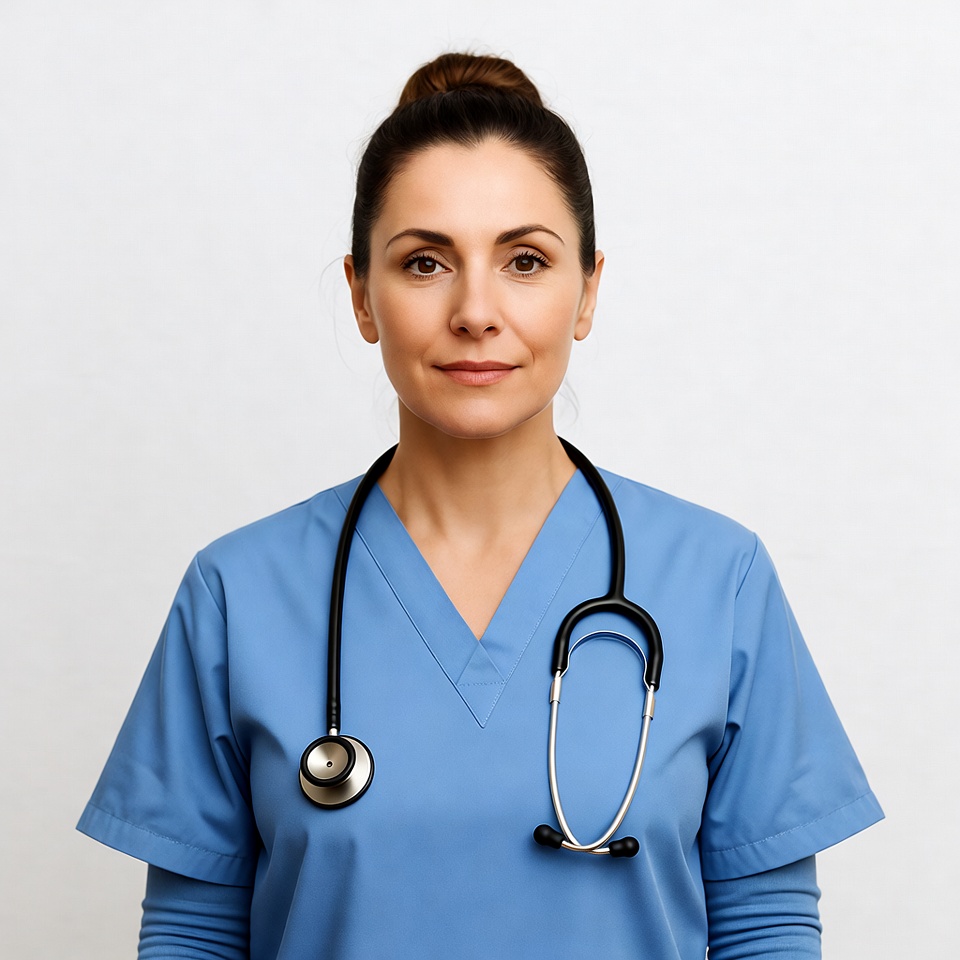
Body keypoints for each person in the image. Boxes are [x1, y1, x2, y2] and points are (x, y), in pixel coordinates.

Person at [78, 53, 883, 959]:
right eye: (425, 262)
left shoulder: (719, 581)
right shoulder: (238, 593)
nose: (475, 310)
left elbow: (766, 931)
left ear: (587, 290)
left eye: (525, 260)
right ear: (360, 295)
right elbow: (191, 934)